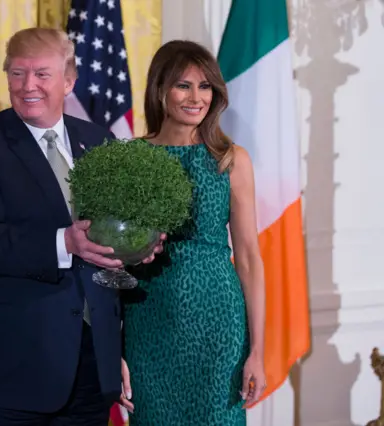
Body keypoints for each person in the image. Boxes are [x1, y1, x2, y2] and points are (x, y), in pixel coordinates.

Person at [0, 28, 162, 425]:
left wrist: (139, 248)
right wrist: (65, 241)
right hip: (16, 371)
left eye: (42, 74)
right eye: (17, 73)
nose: (28, 86)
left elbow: (111, 240)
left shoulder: (98, 143)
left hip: (92, 365)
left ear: (69, 81)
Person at [122, 40, 267, 426]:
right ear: (160, 89)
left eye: (205, 87)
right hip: (149, 321)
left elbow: (250, 257)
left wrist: (258, 351)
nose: (196, 97)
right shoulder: (132, 158)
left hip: (219, 324)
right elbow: (111, 258)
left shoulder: (230, 159)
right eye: (183, 85)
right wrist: (112, 347)